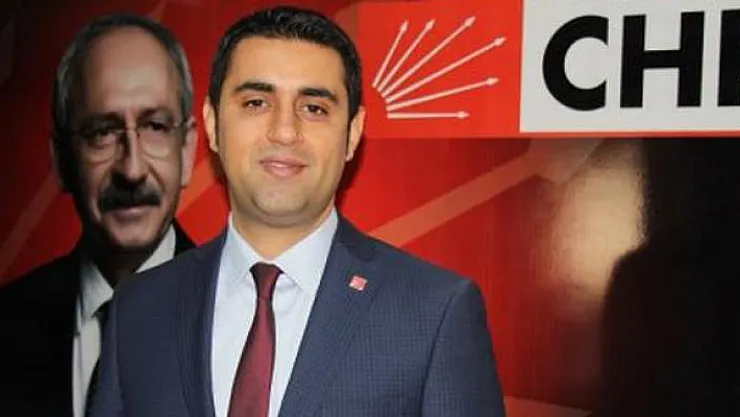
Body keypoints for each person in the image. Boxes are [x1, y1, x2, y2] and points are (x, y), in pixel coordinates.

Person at [90, 5, 505, 417]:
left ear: (352, 134)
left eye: (314, 108)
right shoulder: (139, 307)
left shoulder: (434, 313)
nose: (285, 131)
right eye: (256, 103)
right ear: (213, 124)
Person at [0, 12, 198, 417]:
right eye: (102, 133)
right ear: (61, 160)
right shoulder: (7, 327)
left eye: (155, 126)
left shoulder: (253, 326)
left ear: (188, 149)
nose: (132, 170)